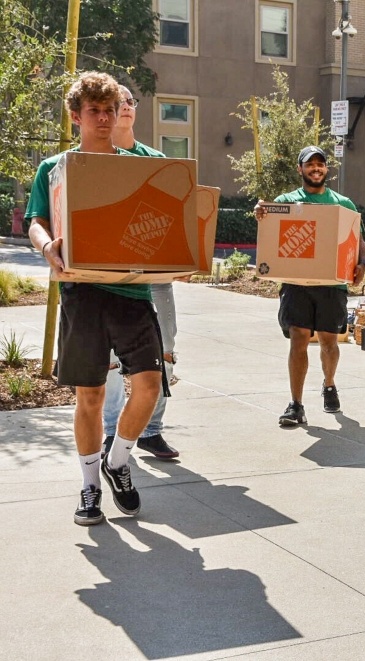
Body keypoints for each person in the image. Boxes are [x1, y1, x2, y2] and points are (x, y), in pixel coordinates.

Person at [27, 72, 164, 526]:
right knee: (90, 394)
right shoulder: (55, 168)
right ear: (76, 117)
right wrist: (48, 247)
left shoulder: (135, 165)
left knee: (148, 387)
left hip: (132, 290)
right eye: (94, 111)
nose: (104, 118)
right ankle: (89, 487)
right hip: (82, 293)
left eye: (109, 110)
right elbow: (36, 221)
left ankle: (118, 460)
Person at [254, 146, 365, 426]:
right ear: (300, 169)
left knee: (329, 342)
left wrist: (362, 265)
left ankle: (329, 384)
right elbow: (269, 228)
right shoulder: (287, 201)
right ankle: (296, 404)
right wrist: (262, 212)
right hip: (296, 284)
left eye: (320, 164)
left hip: (331, 285)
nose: (315, 168)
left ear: (326, 169)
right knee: (299, 338)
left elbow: (360, 244)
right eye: (310, 164)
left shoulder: (343, 204)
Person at [102, 85, 179, 460]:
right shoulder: (95, 159)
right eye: (118, 103)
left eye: (130, 102)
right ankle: (112, 431)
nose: (126, 108)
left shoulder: (155, 159)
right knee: (113, 358)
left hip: (153, 277)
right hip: (107, 274)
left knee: (162, 351)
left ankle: (151, 430)